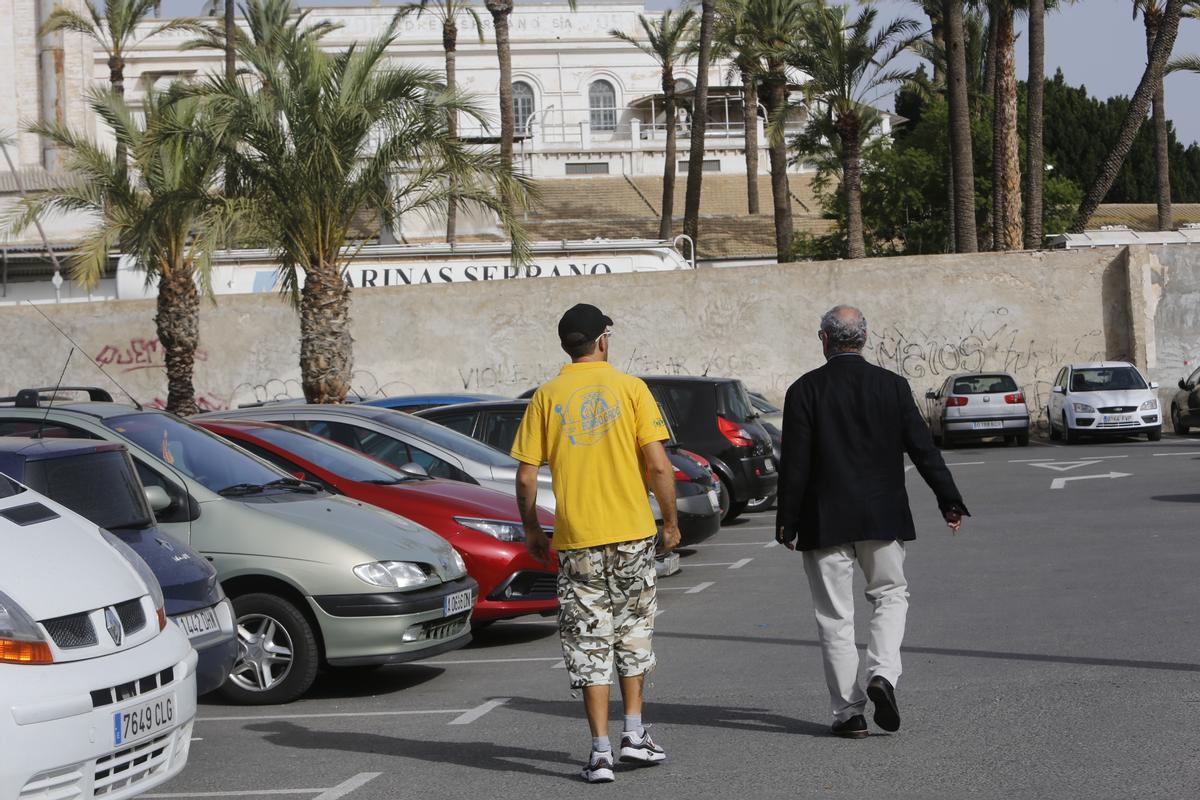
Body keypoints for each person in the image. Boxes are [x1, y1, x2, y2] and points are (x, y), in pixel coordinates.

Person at [775, 305, 969, 739]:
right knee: (891, 596)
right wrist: (949, 501)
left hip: (824, 520)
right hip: (883, 516)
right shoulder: (893, 386)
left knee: (834, 616)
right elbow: (924, 450)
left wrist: (786, 521)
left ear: (824, 339)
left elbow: (796, 465)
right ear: (864, 338)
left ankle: (850, 713)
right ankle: (883, 674)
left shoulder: (804, 390)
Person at [512, 303, 681, 783]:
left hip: (577, 540)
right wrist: (669, 522)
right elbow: (659, 465)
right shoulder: (631, 389)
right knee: (633, 633)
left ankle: (600, 752)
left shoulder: (546, 396)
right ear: (603, 339)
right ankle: (635, 733)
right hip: (630, 534)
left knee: (588, 642)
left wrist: (531, 530)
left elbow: (526, 478)